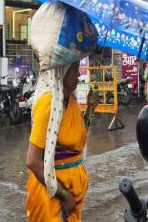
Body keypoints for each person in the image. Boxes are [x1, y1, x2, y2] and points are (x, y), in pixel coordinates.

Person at [25, 61, 99, 222]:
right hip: (52, 196)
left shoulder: (70, 101)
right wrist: (64, 195)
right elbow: (32, 161)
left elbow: (78, 141)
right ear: (61, 71)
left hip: (73, 193)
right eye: (75, 68)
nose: (79, 74)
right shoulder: (48, 104)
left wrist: (91, 109)